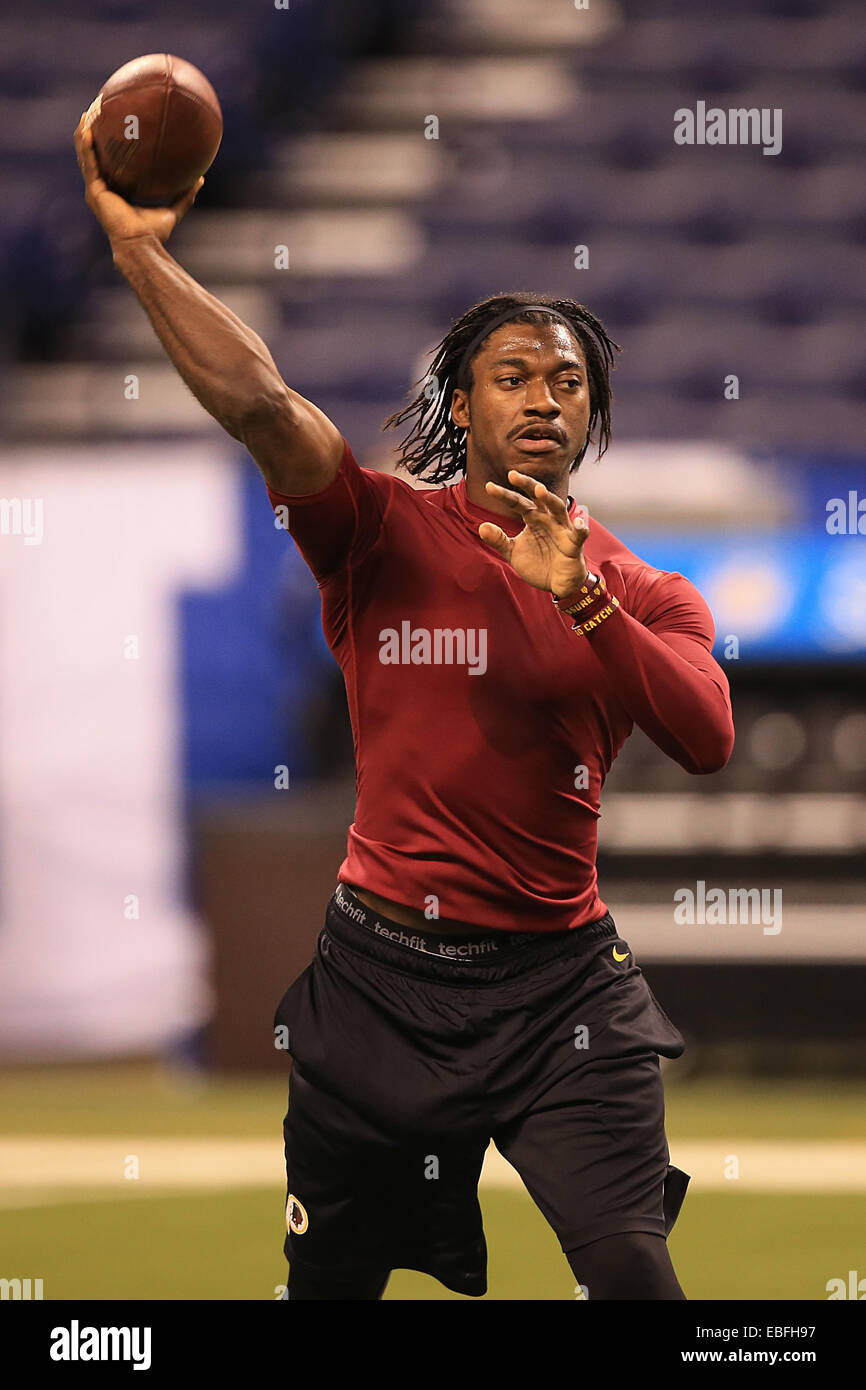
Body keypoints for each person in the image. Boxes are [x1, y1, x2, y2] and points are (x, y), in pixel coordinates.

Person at [74, 115, 735, 1301]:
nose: (542, 397)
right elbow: (266, 408)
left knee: (638, 1277)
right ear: (459, 403)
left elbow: (705, 735)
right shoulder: (375, 533)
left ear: (590, 416)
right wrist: (138, 251)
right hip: (382, 979)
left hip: (561, 990)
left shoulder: (638, 589)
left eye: (566, 382)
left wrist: (579, 599)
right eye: (512, 375)